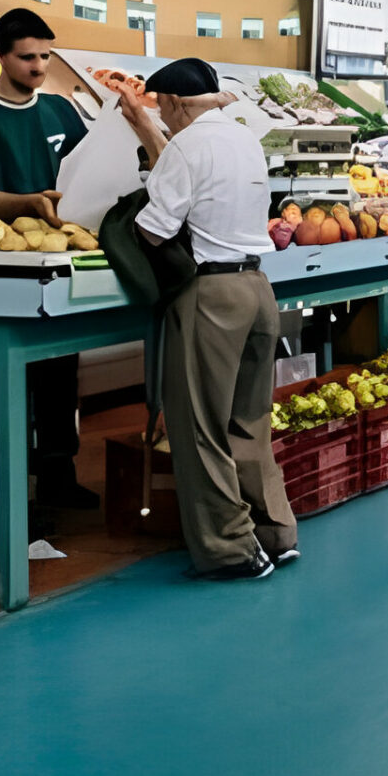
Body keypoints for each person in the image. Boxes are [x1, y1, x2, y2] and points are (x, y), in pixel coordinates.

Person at [0, 9, 152, 521]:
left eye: (44, 56)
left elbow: (89, 168)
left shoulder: (60, 110)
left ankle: (59, 477)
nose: (38, 66)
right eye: (26, 57)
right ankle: (0, 498)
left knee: (60, 374)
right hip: (5, 266)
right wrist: (29, 203)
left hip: (61, 259)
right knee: (2, 385)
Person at [132, 58, 296, 580]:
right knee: (249, 423)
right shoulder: (243, 137)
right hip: (258, 290)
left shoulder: (187, 144)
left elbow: (155, 231)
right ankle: (276, 534)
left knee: (201, 428)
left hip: (212, 295)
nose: (165, 119)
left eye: (162, 109)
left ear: (176, 103)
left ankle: (230, 549)